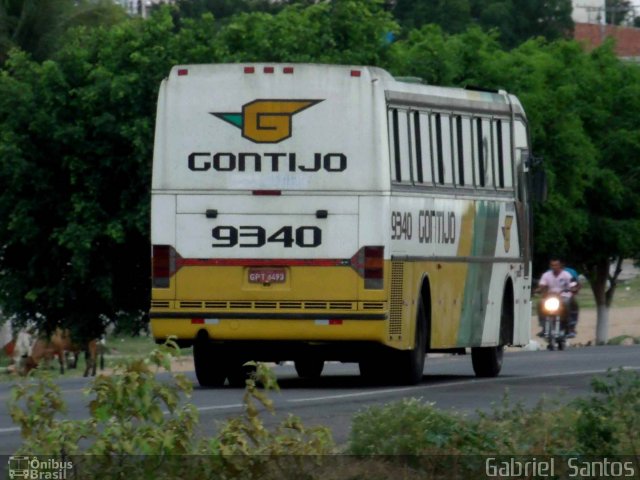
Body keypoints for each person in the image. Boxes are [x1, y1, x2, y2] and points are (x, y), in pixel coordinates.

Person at [535, 258, 577, 338]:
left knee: (567, 303)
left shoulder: (566, 275)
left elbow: (573, 284)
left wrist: (573, 288)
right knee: (540, 303)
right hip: (550, 297)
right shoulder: (546, 275)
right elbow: (542, 285)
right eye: (552, 265)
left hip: (564, 296)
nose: (554, 267)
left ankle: (569, 326)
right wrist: (540, 289)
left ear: (560, 265)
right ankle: (543, 326)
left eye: (556, 265)